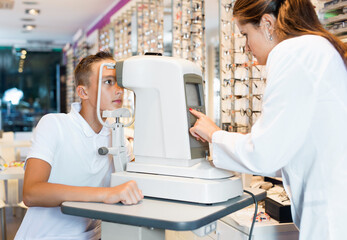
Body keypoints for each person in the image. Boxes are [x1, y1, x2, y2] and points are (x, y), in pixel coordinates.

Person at [190, 0, 347, 239]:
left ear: (267, 24)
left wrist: (214, 135)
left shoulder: (292, 52)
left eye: (245, 34)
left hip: (332, 216)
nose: (246, 46)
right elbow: (287, 149)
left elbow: (266, 154)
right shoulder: (315, 49)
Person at [15, 51, 143, 240]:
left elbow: (139, 182)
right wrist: (105, 194)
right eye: (108, 82)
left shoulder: (118, 138)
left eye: (119, 82)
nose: (119, 90)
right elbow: (32, 193)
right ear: (83, 92)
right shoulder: (54, 124)